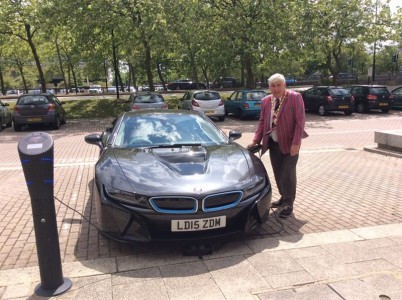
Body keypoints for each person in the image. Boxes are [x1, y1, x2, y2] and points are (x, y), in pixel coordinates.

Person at [247, 73, 307, 218]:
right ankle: (283, 197)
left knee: (287, 173)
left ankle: (288, 203)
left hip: (290, 144)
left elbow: (300, 122)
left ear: (284, 85)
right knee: (278, 173)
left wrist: (296, 143)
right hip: (273, 144)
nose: (276, 88)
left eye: (278, 85)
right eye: (273, 86)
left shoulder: (295, 97)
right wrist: (256, 140)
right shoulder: (266, 101)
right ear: (269, 87)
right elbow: (262, 122)